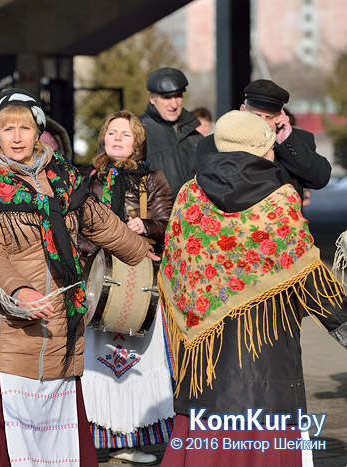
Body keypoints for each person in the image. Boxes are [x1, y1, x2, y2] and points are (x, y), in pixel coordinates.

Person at [0, 89, 155, 467]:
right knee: (5, 432)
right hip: (9, 319)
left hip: (61, 319)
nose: (16, 137)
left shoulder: (65, 178)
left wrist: (140, 253)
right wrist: (18, 289)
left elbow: (99, 222)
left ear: (39, 133)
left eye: (24, 128)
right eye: (7, 129)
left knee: (59, 423)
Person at [159, 111, 347, 466]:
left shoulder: (189, 194)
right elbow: (307, 274)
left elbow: (176, 268)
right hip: (267, 350)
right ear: (261, 147)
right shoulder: (280, 199)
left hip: (205, 361)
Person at [79, 110, 174, 465]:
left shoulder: (153, 178)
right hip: (99, 281)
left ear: (138, 141)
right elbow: (76, 226)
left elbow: (168, 224)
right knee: (97, 361)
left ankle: (133, 439)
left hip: (139, 279)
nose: (117, 138)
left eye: (126, 134)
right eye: (112, 132)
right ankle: (98, 439)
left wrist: (145, 225)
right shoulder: (89, 178)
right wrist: (97, 244)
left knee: (138, 360)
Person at [196, 79, 331, 203]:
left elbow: (319, 179)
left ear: (281, 116)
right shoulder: (213, 143)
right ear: (242, 110)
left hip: (281, 226)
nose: (262, 122)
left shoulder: (297, 140)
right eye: (257, 116)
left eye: (269, 117)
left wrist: (287, 143)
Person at [139, 67, 203, 197]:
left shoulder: (195, 136)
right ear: (152, 98)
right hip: (154, 215)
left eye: (178, 96)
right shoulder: (137, 132)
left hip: (192, 214)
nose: (174, 104)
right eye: (167, 97)